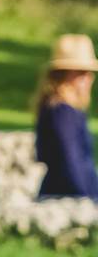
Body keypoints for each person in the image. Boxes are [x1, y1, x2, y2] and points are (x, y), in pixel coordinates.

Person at [36, 34, 98, 199]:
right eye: (81, 73)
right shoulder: (61, 113)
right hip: (66, 198)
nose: (89, 79)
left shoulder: (67, 110)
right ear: (62, 75)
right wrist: (89, 200)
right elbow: (71, 162)